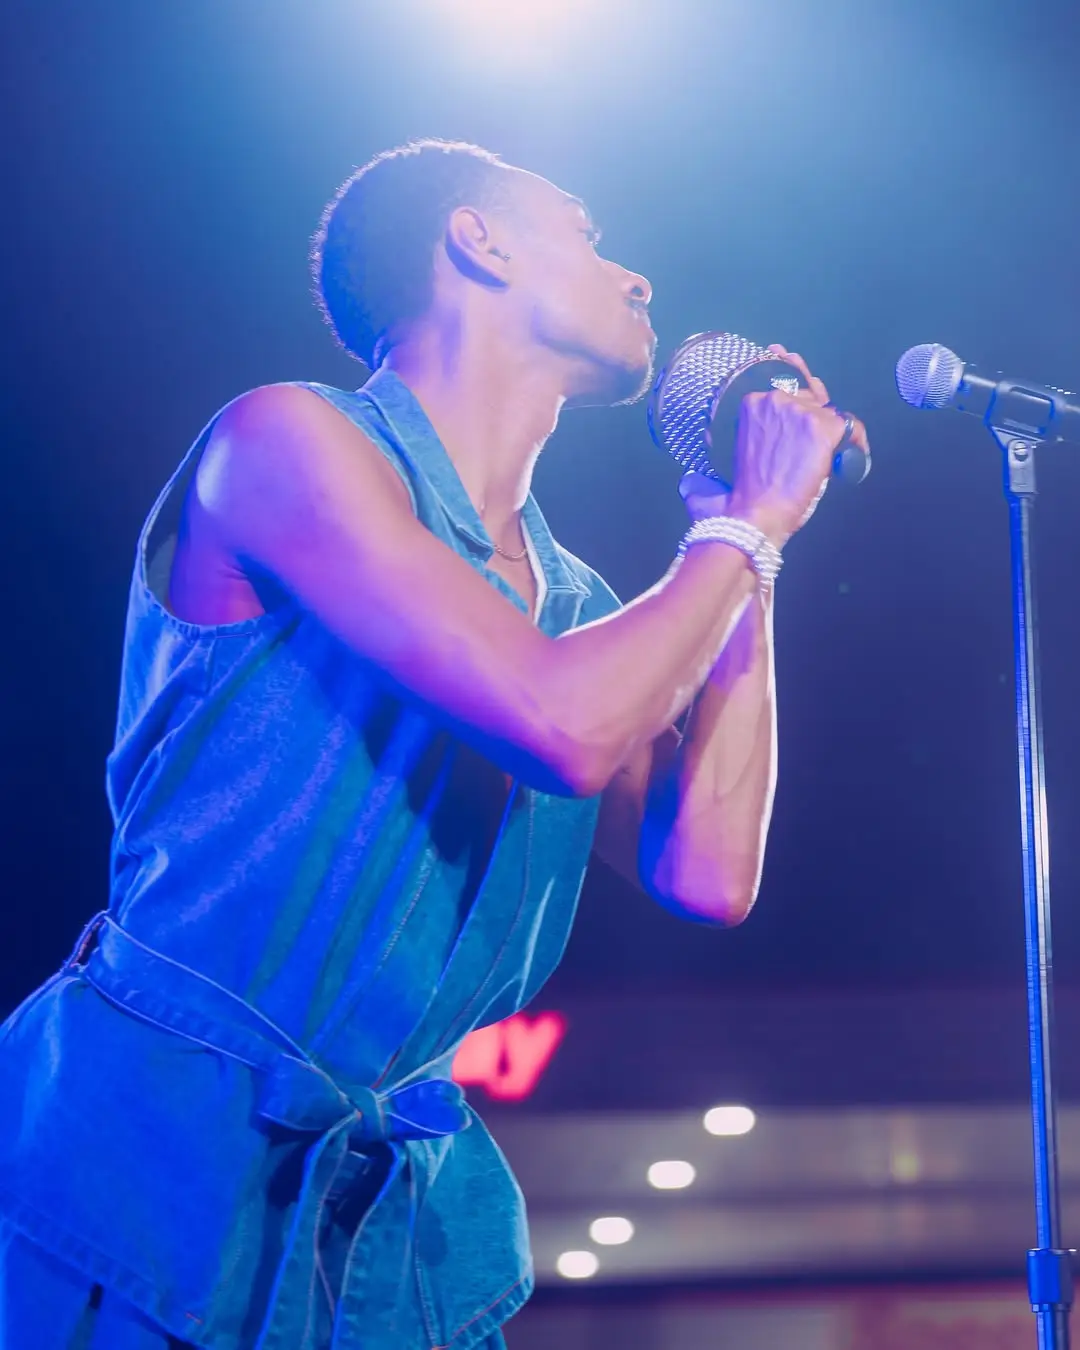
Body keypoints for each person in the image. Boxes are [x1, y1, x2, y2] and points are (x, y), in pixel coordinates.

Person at [0, 138, 868, 1350]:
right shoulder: (284, 441)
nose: (637, 280)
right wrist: (745, 530)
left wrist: (745, 549)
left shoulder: (574, 605)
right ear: (478, 240)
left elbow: (708, 869)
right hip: (149, 1166)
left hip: (386, 1226)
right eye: (589, 236)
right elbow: (563, 727)